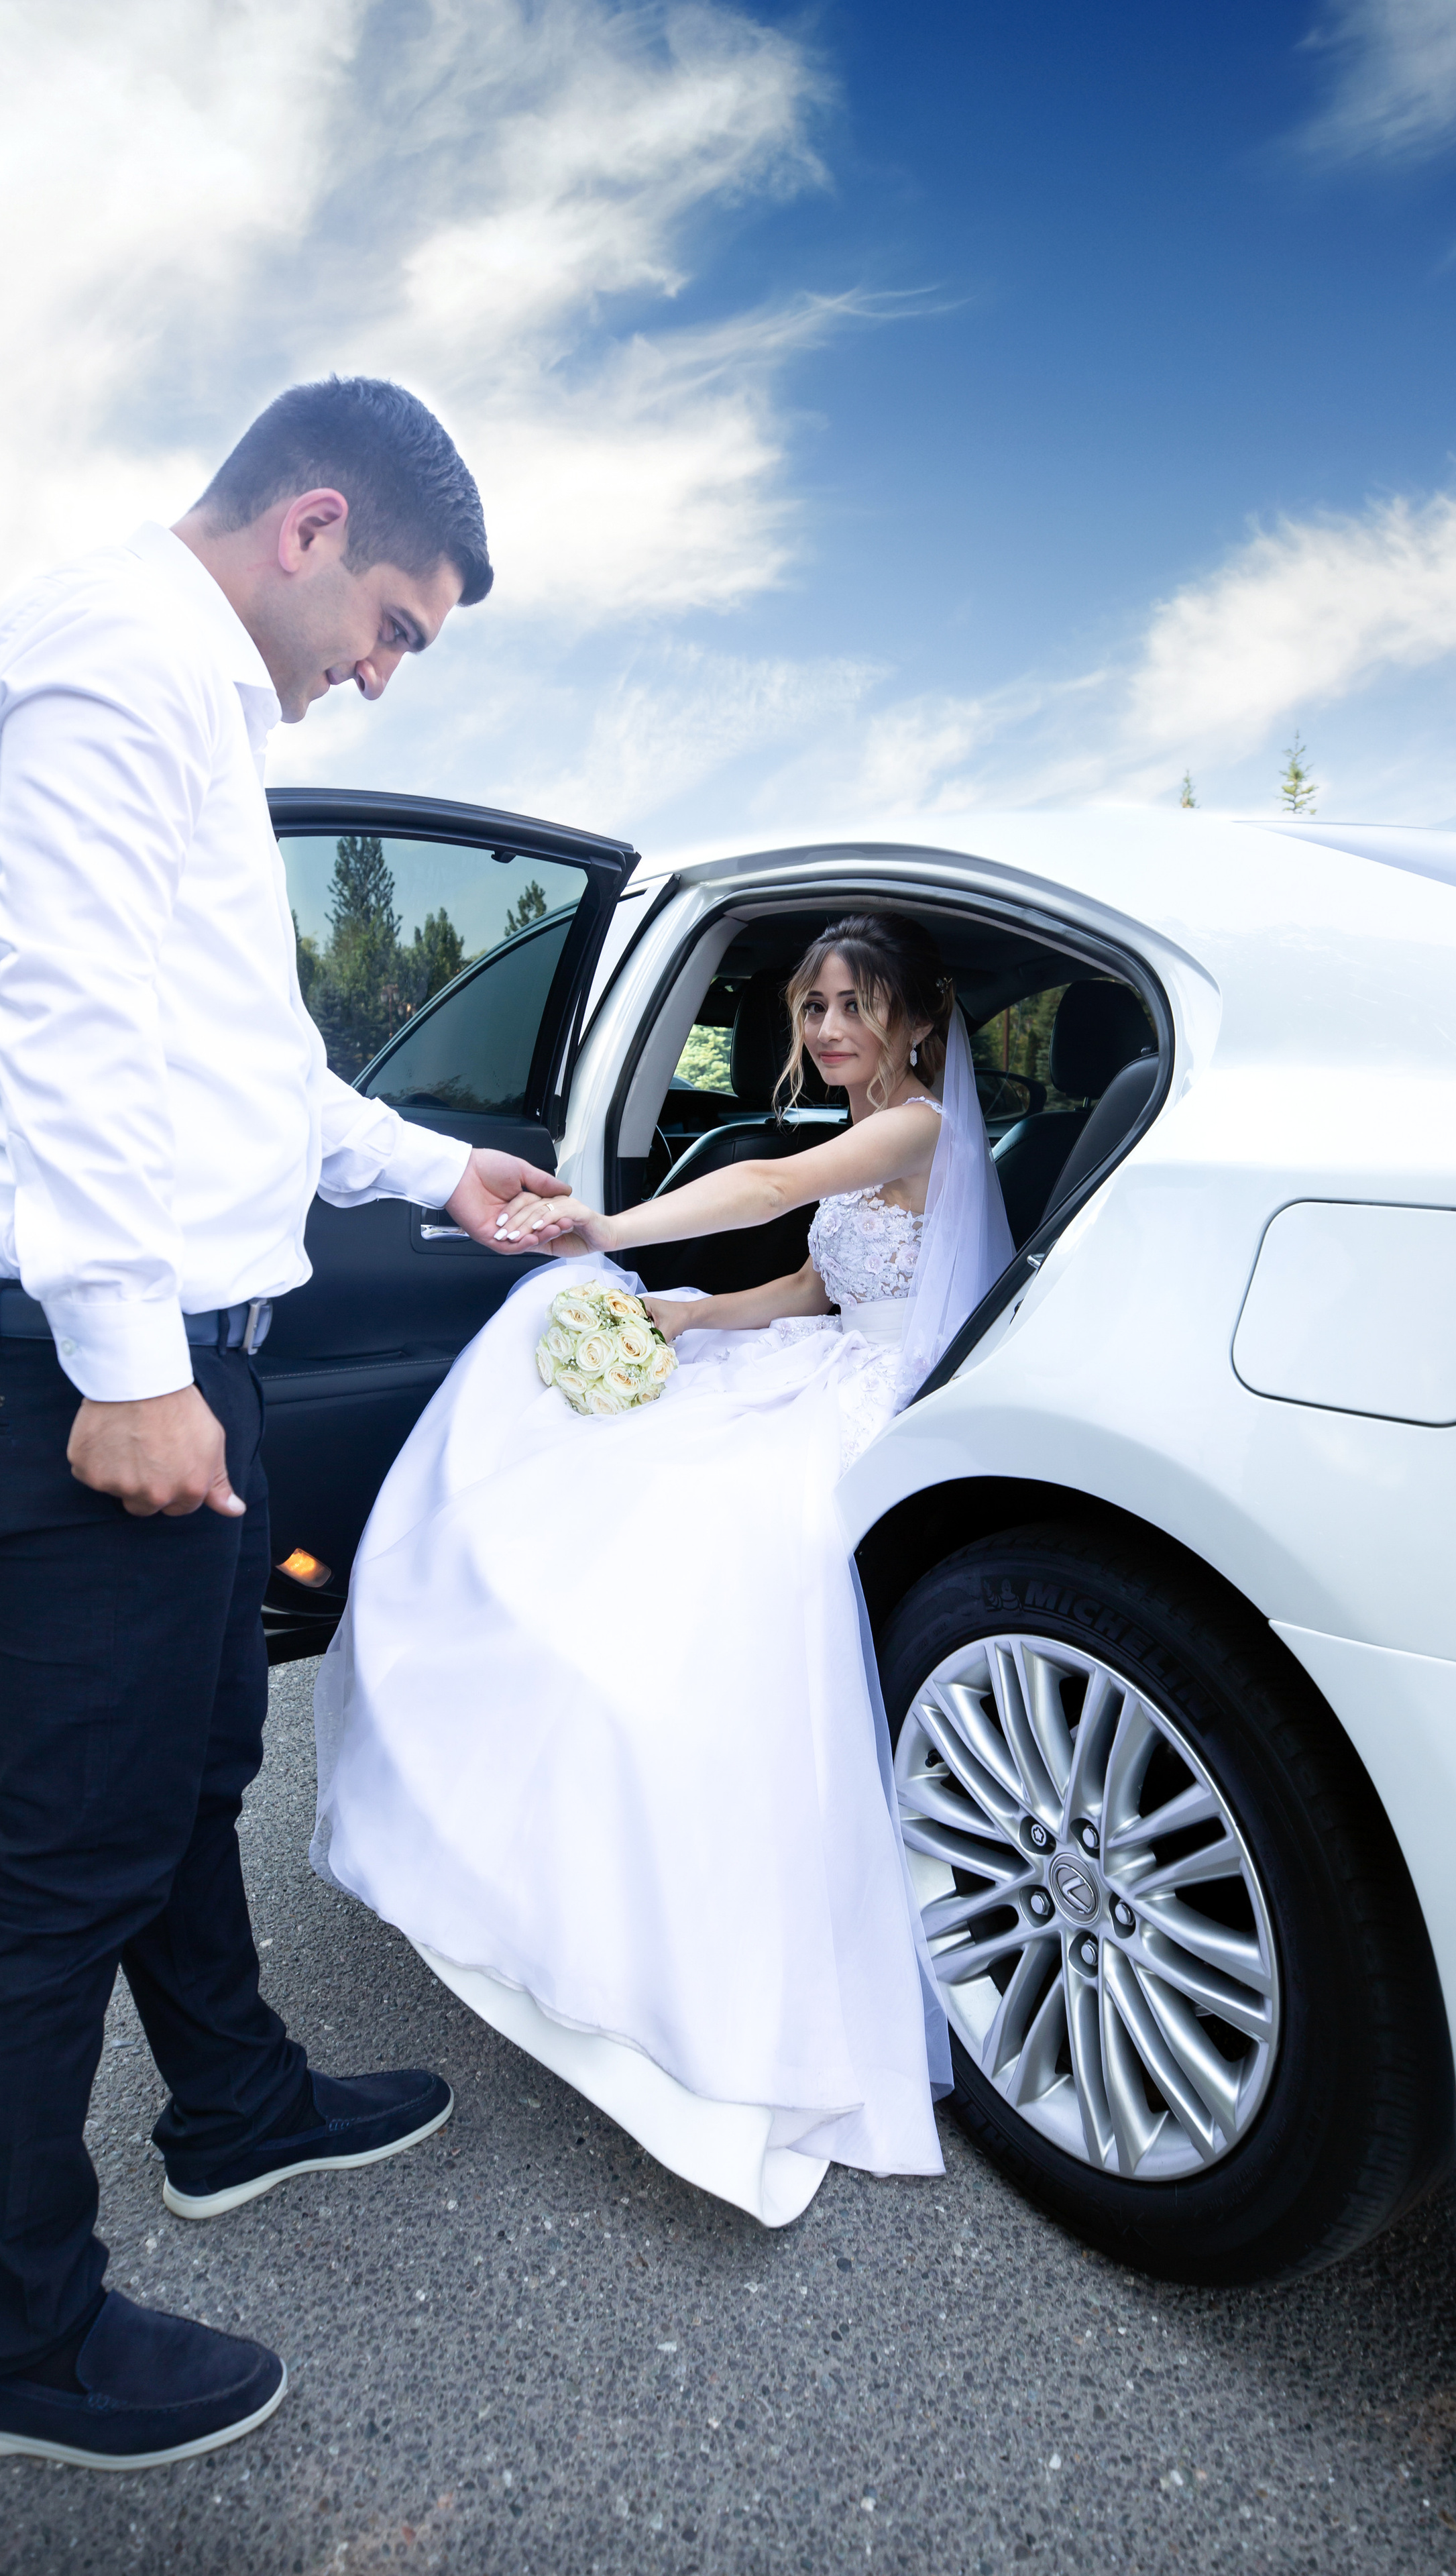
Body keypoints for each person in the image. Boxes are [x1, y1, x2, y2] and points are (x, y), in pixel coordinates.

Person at [0, 378, 563, 2470]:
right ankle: (10, 2344)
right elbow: (77, 1028)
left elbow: (249, 1076)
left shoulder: (189, 692)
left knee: (191, 1777)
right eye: (394, 625)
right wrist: (129, 1367)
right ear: (313, 525)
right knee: (64, 1864)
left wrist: (445, 1175)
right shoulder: (118, 654)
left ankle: (237, 2108)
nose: (381, 674)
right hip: (89, 1366)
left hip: (191, 1348)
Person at [313, 914, 1015, 2226]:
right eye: (812, 1008)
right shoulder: (871, 1130)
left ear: (922, 1021)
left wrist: (605, 1225)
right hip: (823, 1353)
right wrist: (691, 1314)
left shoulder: (916, 1126)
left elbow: (764, 1192)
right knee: (592, 1451)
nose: (829, 1030)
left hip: (877, 1397)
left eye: (856, 1006)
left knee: (684, 1525)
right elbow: (811, 1284)